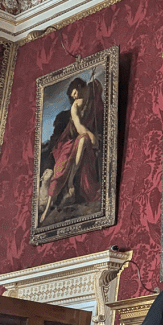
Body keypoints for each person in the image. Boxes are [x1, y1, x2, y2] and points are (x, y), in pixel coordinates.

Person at [40, 75, 101, 223]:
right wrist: (91, 135)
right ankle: (67, 185)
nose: (74, 97)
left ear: (79, 87)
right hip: (70, 140)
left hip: (85, 139)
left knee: (84, 141)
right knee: (62, 166)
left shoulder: (93, 97)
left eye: (74, 93)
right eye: (72, 96)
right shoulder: (75, 105)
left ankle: (73, 184)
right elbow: (79, 127)